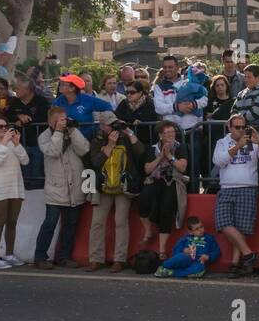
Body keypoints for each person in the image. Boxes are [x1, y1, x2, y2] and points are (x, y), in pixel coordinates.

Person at [211, 113, 259, 276]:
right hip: (227, 187)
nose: (240, 130)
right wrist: (238, 145)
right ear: (229, 127)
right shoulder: (222, 142)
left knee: (240, 229)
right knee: (223, 223)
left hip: (247, 187)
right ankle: (249, 254)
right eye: (237, 127)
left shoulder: (253, 142)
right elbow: (218, 161)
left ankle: (235, 264)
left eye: (242, 127)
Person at [33, 107, 90, 269]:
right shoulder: (44, 136)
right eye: (60, 119)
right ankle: (40, 256)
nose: (64, 122)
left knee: (70, 225)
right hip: (55, 189)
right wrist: (58, 132)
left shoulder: (71, 131)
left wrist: (73, 131)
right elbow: (53, 151)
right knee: (50, 224)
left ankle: (63, 257)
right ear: (51, 121)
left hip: (75, 187)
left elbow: (84, 149)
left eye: (65, 118)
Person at [87, 113, 144, 272]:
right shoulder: (97, 141)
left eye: (115, 124)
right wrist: (110, 145)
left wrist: (130, 133)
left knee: (121, 221)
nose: (113, 128)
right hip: (103, 186)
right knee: (97, 222)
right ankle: (96, 259)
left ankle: (120, 259)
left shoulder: (125, 139)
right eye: (110, 125)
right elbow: (96, 162)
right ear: (102, 126)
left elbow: (140, 152)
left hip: (122, 186)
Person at [0, 116, 29, 269]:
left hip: (15, 187)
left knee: (12, 222)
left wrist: (16, 144)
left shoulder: (11, 144)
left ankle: (9, 254)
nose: (4, 129)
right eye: (0, 126)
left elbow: (25, 160)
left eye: (5, 126)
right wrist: (4, 142)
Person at [137, 120, 188, 258]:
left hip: (172, 182)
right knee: (142, 200)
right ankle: (148, 230)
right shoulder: (153, 148)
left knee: (166, 209)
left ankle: (162, 250)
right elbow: (147, 169)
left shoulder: (180, 147)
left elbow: (182, 167)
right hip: (155, 180)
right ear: (160, 135)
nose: (171, 135)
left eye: (173, 132)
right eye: (167, 132)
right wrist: (160, 157)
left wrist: (170, 157)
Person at [6, 75, 50, 185]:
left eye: (18, 88)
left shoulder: (41, 101)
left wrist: (26, 120)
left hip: (38, 144)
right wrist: (18, 117)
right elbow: (7, 116)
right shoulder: (15, 102)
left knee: (37, 173)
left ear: (28, 89)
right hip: (20, 144)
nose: (15, 91)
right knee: (23, 174)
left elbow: (44, 118)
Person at [156, 215, 221, 278]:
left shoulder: (209, 238)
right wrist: (183, 250)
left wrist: (208, 257)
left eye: (201, 227)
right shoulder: (185, 239)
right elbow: (175, 251)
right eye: (196, 229)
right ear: (190, 232)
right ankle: (164, 267)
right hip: (185, 259)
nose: (201, 230)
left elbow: (216, 251)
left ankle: (172, 272)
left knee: (199, 269)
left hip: (198, 261)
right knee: (180, 257)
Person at [53, 73, 112, 138]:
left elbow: (108, 107)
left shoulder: (87, 99)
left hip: (87, 139)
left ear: (72, 88)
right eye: (61, 83)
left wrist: (103, 123)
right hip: (64, 139)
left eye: (63, 84)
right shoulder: (58, 101)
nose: (60, 86)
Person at [115, 79, 159, 146]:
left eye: (132, 92)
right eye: (127, 92)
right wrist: (132, 120)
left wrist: (128, 119)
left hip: (146, 140)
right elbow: (117, 115)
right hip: (127, 140)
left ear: (140, 92)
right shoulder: (124, 103)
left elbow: (147, 117)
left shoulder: (149, 103)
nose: (129, 95)